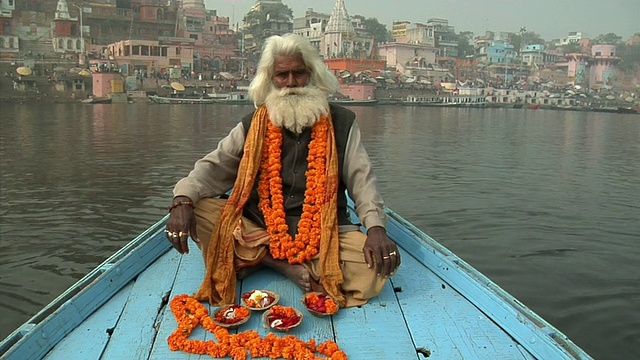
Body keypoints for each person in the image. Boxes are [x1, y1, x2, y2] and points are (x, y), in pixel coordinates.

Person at [166, 33, 400, 308]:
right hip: (260, 225)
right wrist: (182, 201)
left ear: (312, 75)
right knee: (201, 207)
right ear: (270, 79)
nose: (291, 83)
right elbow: (213, 166)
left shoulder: (342, 122)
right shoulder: (254, 123)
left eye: (298, 73)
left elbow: (362, 180)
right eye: (282, 75)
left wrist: (375, 228)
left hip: (323, 229)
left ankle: (253, 258)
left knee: (372, 272)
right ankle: (279, 263)